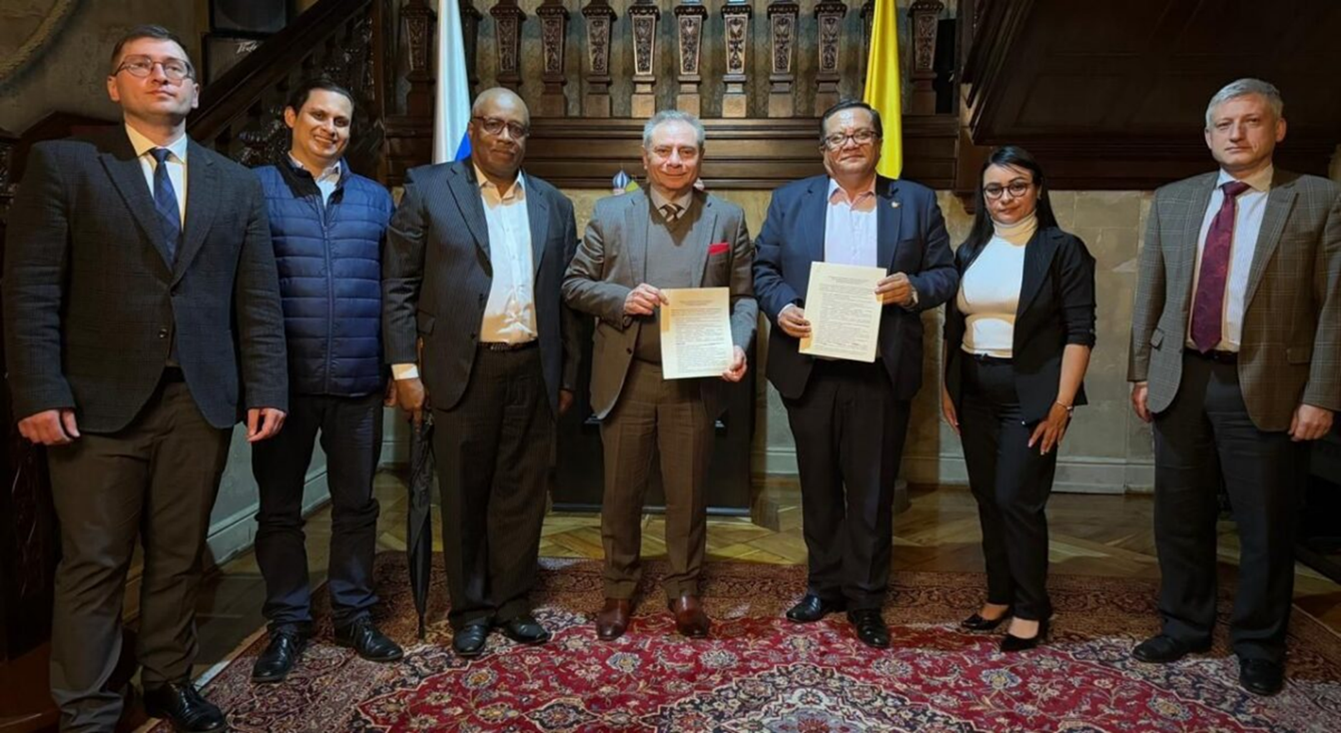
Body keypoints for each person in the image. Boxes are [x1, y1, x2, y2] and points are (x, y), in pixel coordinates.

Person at [2, 25, 288, 733]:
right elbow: (31, 289)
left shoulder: (233, 182)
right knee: (94, 563)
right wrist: (39, 390)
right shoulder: (67, 164)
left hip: (200, 400)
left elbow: (256, 297)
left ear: (194, 89)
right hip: (94, 405)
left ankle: (167, 678)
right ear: (114, 85)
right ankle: (90, 708)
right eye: (142, 65)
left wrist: (266, 386)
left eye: (174, 67)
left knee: (178, 556)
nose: (161, 76)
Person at [1128, 78, 1340, 696]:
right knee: (1179, 515)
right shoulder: (1175, 199)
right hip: (1182, 377)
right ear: (1208, 135)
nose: (1236, 134)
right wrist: (1141, 371)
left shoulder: (1319, 199)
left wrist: (1321, 394)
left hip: (1270, 382)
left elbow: (1335, 308)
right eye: (1224, 124)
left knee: (1266, 524)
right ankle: (1185, 624)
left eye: (1250, 121)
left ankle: (1259, 643)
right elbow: (1150, 292)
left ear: (1278, 128)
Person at [382, 87, 581, 658]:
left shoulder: (553, 204)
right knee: (464, 493)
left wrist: (567, 376)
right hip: (459, 369)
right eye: (493, 124)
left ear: (526, 138)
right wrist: (404, 369)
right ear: (472, 129)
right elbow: (398, 285)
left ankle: (513, 603)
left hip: (532, 368)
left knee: (522, 493)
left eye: (516, 128)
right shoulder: (428, 188)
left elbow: (566, 298)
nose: (505, 137)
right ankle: (469, 609)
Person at [753, 99, 958, 649]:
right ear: (824, 150)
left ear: (878, 144)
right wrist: (782, 306)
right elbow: (763, 269)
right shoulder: (789, 201)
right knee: (818, 486)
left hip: (880, 368)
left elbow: (946, 273)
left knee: (871, 491)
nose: (850, 144)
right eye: (839, 137)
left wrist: (913, 288)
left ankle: (866, 598)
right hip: (810, 367)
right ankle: (824, 586)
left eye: (861, 134)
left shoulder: (914, 201)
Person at [563, 110, 756, 642]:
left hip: (694, 379)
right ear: (645, 157)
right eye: (664, 151)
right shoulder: (610, 214)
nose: (675, 160)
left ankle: (684, 589)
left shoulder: (728, 219)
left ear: (700, 158)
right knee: (620, 493)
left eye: (686, 151)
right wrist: (621, 298)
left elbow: (744, 298)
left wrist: (738, 343)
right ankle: (618, 589)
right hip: (629, 376)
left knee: (689, 493)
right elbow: (574, 284)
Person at [249, 78, 402, 683]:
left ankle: (353, 614)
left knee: (357, 506)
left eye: (341, 120)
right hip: (281, 387)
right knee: (279, 510)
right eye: (318, 115)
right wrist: (256, 380)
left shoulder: (375, 199)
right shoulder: (254, 190)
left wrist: (395, 366)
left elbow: (394, 289)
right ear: (290, 117)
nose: (330, 128)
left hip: (359, 381)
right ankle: (287, 623)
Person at [941, 146, 1096, 652]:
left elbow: (1080, 331)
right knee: (988, 496)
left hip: (1030, 394)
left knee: (1017, 500)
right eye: (994, 189)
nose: (1004, 197)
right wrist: (947, 387)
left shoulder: (1062, 249)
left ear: (1038, 190)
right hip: (972, 388)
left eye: (1017, 186)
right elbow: (952, 326)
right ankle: (999, 595)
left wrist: (1062, 404)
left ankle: (1032, 607)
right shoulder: (970, 250)